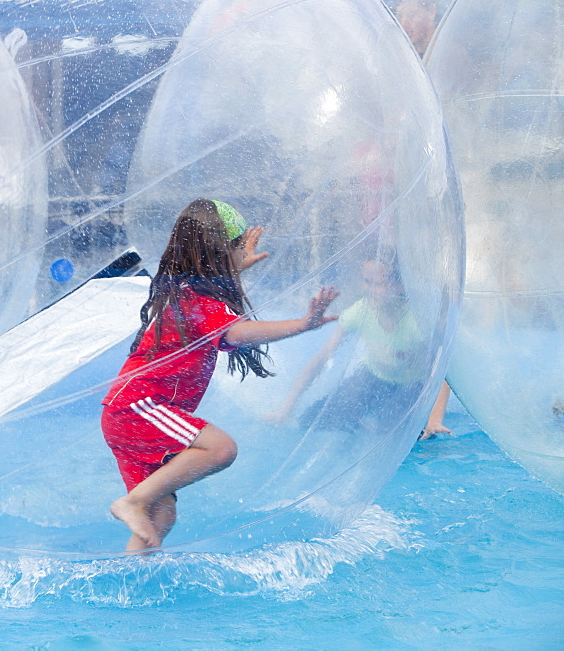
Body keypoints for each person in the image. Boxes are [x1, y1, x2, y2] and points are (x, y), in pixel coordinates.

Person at [101, 198, 339, 552]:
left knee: (161, 516)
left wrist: (238, 266)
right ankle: (130, 504)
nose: (242, 255)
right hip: (140, 407)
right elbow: (237, 333)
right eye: (236, 248)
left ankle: (127, 574)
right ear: (216, 254)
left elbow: (218, 304)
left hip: (125, 412)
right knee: (221, 448)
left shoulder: (187, 292)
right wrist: (303, 325)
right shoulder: (201, 303)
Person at [265, 253, 438, 437]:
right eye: (366, 281)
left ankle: (375, 419)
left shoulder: (418, 320)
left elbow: (443, 371)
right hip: (373, 377)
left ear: (400, 285)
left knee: (396, 437)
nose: (370, 290)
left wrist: (435, 419)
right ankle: (362, 418)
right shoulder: (360, 311)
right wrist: (287, 407)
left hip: (411, 386)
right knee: (310, 421)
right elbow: (322, 358)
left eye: (378, 284)